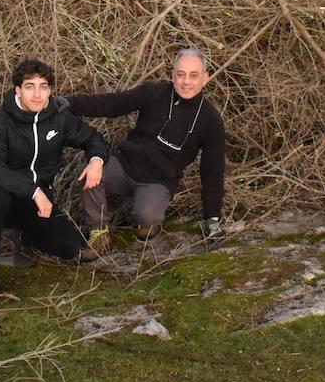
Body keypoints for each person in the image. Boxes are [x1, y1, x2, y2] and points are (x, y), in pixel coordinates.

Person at [63, 48, 226, 243]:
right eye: (180, 75)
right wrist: (68, 104)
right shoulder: (153, 93)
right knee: (87, 173)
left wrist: (212, 218)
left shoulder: (211, 120)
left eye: (194, 75)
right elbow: (113, 104)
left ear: (205, 78)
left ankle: (148, 220)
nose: (186, 82)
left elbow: (212, 171)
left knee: (146, 214)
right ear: (173, 75)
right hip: (126, 165)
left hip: (158, 181)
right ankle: (99, 233)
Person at [0, 59, 108, 296]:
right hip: (7, 198)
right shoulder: (0, 122)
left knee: (70, 248)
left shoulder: (58, 118)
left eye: (43, 86)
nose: (37, 94)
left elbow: (92, 137)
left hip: (41, 201)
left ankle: (23, 239)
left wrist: (96, 160)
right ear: (18, 90)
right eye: (30, 86)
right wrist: (33, 191)